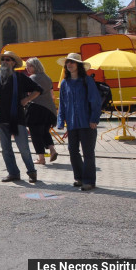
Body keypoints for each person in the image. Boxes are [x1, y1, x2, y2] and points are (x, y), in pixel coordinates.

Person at [0, 50, 42, 183]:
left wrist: (26, 100)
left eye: (8, 59)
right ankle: (13, 173)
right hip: (2, 118)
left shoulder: (20, 77)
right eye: (3, 59)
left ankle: (32, 172)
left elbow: (38, 89)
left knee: (23, 148)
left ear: (13, 63)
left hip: (17, 117)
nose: (4, 61)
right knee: (6, 149)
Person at [56, 53, 102, 191]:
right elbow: (62, 103)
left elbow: (95, 101)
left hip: (87, 123)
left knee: (88, 153)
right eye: (68, 63)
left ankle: (89, 181)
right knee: (73, 151)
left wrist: (94, 119)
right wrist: (60, 121)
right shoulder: (64, 83)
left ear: (78, 65)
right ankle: (79, 178)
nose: (69, 64)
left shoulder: (87, 81)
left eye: (72, 62)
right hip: (72, 123)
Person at [23, 57, 58, 165]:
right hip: (50, 110)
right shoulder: (47, 78)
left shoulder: (32, 78)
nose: (27, 68)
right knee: (44, 132)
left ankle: (41, 158)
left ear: (35, 66)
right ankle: (52, 150)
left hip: (37, 109)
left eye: (29, 66)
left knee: (35, 134)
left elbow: (29, 93)